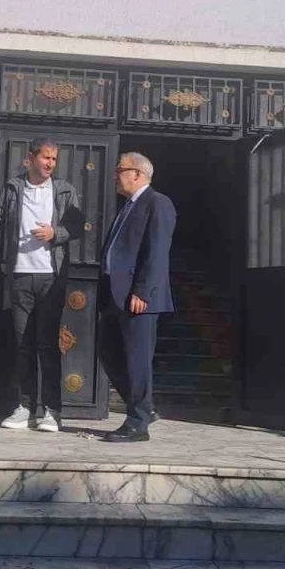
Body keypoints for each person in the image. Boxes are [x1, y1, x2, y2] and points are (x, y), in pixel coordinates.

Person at [0, 137, 83, 432]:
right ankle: (24, 407)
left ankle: (52, 411)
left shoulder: (64, 190)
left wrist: (55, 233)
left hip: (51, 277)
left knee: (47, 344)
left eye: (54, 159)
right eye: (46, 157)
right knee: (23, 344)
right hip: (20, 275)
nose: (50, 164)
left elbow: (76, 225)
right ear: (30, 158)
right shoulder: (13, 188)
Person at [98, 152, 175, 442]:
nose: (115, 175)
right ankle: (144, 407)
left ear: (137, 174)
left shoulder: (157, 203)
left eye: (120, 169)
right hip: (115, 294)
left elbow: (157, 251)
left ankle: (137, 423)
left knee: (137, 359)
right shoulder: (129, 206)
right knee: (108, 351)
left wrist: (142, 290)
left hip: (138, 297)